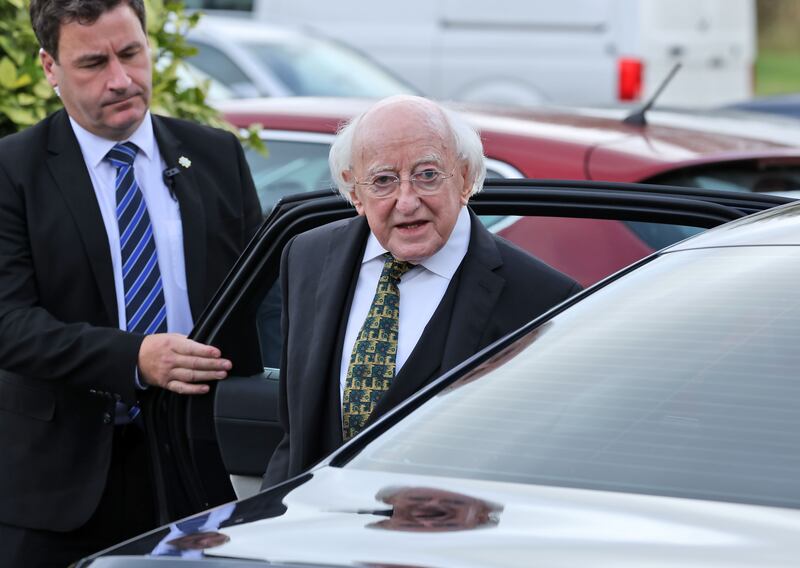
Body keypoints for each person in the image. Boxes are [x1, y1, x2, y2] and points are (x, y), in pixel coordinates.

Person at [0, 0, 262, 565]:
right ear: (50, 68)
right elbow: (9, 324)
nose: (120, 80)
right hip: (55, 490)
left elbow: (267, 300)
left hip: (197, 467)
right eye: (94, 63)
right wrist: (134, 358)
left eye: (131, 53)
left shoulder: (214, 155)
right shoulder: (12, 172)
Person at [262, 95, 581, 487]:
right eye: (383, 180)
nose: (407, 201)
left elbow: (539, 460)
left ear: (464, 178)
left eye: (427, 174)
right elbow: (294, 439)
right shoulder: (306, 257)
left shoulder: (542, 299)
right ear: (355, 192)